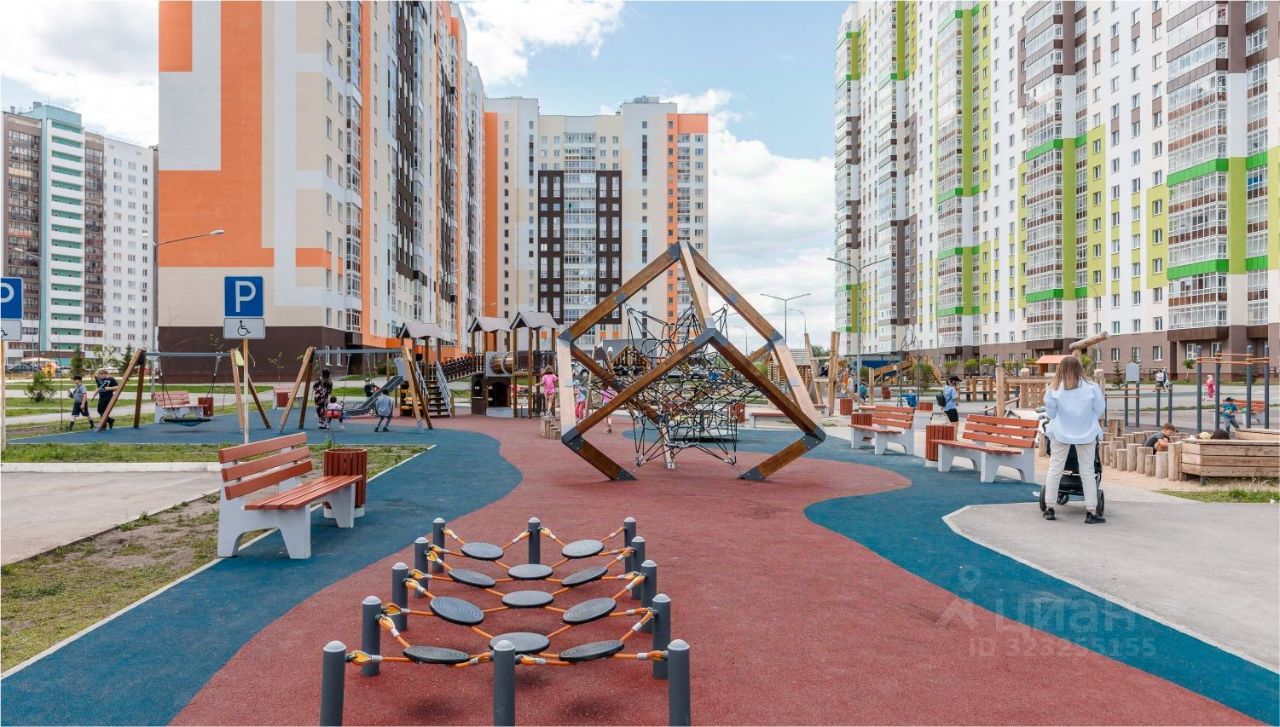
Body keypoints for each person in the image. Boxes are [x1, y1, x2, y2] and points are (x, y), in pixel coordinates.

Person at [1041, 355, 1107, 524]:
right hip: (1086, 433)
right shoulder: (1092, 387)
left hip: (1061, 433)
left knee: (1055, 469)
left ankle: (1049, 508)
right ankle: (1091, 511)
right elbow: (1099, 409)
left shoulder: (1054, 388)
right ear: (1080, 368)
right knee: (1087, 472)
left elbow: (1051, 413)